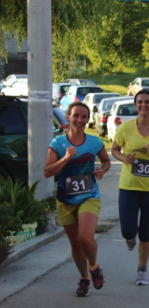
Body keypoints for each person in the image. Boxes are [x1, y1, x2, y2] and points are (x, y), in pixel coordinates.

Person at [44, 102, 111, 297]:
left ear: (88, 119)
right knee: (74, 242)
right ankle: (84, 279)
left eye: (84, 117)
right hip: (66, 198)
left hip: (89, 196)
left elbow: (106, 161)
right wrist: (65, 159)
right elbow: (47, 171)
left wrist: (102, 170)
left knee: (85, 238)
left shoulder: (94, 142)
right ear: (69, 117)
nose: (80, 120)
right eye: (76, 116)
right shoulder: (58, 143)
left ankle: (94, 266)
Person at [111, 89, 149, 285]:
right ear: (135, 105)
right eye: (140, 102)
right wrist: (124, 157)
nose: (143, 105)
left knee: (145, 233)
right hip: (129, 186)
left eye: (147, 102)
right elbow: (114, 150)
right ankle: (130, 238)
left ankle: (142, 269)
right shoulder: (126, 128)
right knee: (128, 230)